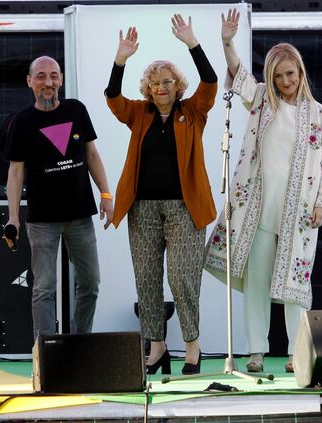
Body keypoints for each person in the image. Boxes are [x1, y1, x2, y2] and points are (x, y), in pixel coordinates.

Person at [204, 9, 322, 373]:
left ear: (300, 72)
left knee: (296, 284)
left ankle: (299, 354)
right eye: (279, 75)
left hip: (298, 212)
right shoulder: (263, 99)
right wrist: (227, 42)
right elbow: (239, 76)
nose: (285, 81)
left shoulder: (318, 113)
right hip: (260, 209)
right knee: (258, 282)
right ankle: (255, 352)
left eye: (290, 74)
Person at [105, 14, 217, 375]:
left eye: (167, 81)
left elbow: (211, 82)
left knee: (182, 277)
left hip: (185, 208)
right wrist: (120, 59)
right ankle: (156, 348)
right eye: (155, 83)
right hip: (143, 209)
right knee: (147, 277)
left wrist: (192, 43)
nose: (161, 87)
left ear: (177, 84)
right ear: (148, 89)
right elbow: (112, 98)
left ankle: (192, 347)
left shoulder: (194, 111)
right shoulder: (138, 113)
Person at [5, 56, 113, 340]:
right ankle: (46, 352)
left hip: (80, 215)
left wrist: (105, 193)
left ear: (61, 79)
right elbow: (15, 173)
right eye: (40, 76)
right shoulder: (21, 122)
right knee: (44, 288)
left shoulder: (76, 110)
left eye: (53, 75)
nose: (48, 82)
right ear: (30, 82)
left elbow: (91, 154)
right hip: (42, 220)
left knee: (91, 283)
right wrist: (14, 217)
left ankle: (79, 344)